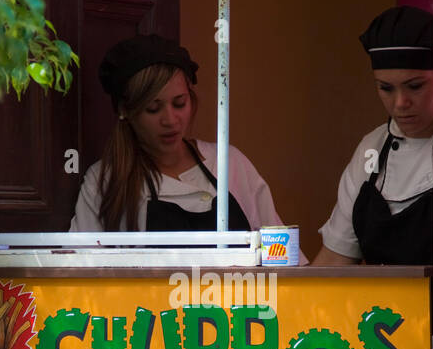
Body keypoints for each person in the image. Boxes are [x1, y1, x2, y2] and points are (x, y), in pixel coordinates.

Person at [70, 33, 288, 236]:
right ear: (125, 110)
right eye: (153, 108)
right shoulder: (105, 182)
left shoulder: (230, 164)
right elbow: (80, 271)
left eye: (179, 103)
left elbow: (281, 256)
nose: (171, 120)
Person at [313, 6, 433, 267]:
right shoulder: (371, 148)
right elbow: (337, 257)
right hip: (382, 309)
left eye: (415, 86)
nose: (401, 102)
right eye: (386, 88)